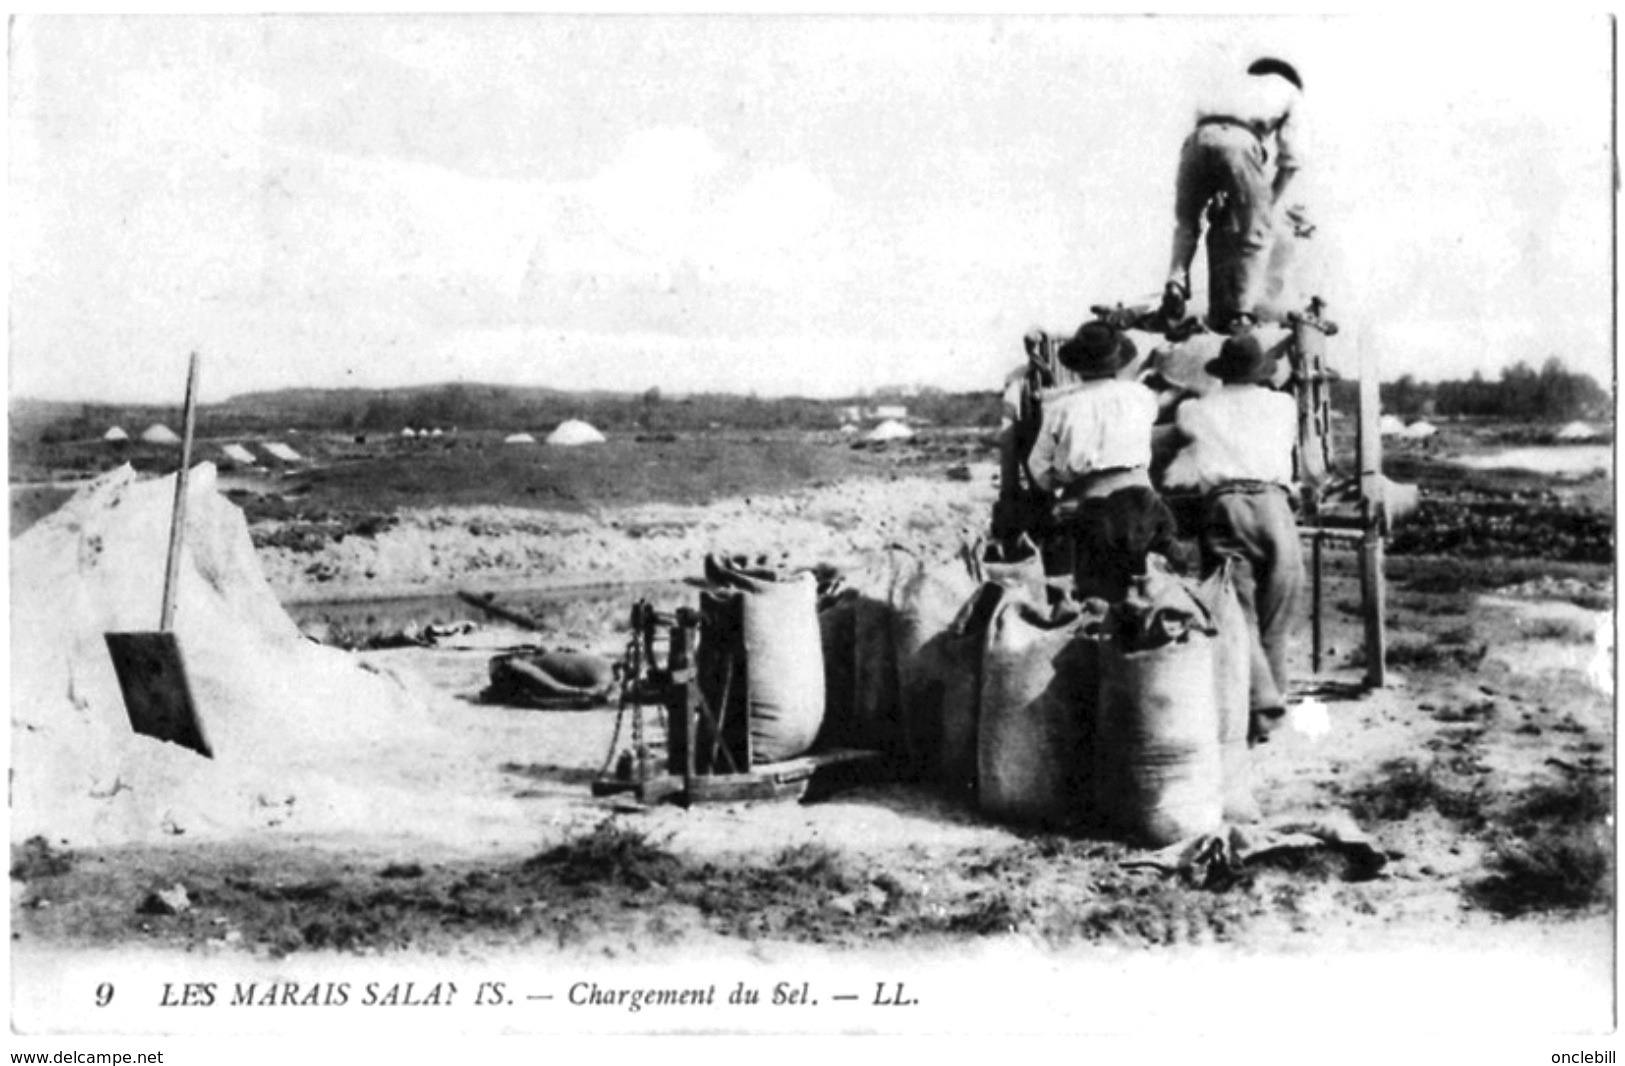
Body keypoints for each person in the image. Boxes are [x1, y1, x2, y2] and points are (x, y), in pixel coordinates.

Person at [1162, 330, 1304, 741]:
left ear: (1221, 374)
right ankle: (1267, 709)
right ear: (1260, 371)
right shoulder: (1283, 404)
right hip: (1276, 506)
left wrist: (1181, 388)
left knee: (1236, 610)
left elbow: (1178, 415)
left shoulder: (1196, 410)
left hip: (1226, 507)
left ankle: (1261, 706)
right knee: (1279, 606)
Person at [1024, 322, 1185, 601]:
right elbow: (1157, 407)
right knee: (1153, 591)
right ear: (1118, 362)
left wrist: (1059, 484)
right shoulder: (1140, 397)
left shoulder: (1059, 408)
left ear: (1076, 367)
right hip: (1142, 504)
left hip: (1089, 506)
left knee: (1096, 597)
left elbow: (1038, 468)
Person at [1160, 57, 1308, 333]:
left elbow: (1212, 143)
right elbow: (1290, 161)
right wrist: (1265, 208)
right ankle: (1241, 312)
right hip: (1240, 142)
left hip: (1197, 140)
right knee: (1258, 235)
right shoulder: (1290, 92)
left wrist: (1219, 193)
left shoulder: (1230, 84)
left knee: (1186, 224)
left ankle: (1175, 282)